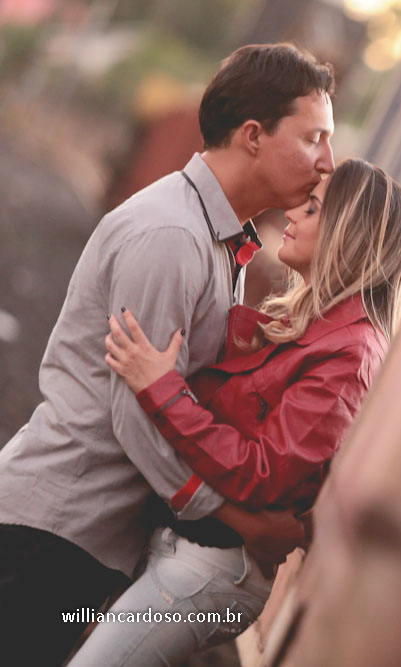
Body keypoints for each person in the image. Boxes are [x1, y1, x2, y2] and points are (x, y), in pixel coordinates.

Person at [0, 42, 334, 665]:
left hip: (87, 539)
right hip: (53, 531)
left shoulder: (214, 239)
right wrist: (241, 522)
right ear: (254, 135)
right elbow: (136, 416)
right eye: (314, 137)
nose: (327, 161)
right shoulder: (172, 237)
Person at [68, 159, 401, 665]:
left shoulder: (351, 352)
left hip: (210, 571)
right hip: (185, 547)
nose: (292, 212)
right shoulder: (317, 325)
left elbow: (265, 474)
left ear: (348, 234)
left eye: (313, 207)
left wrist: (162, 390)